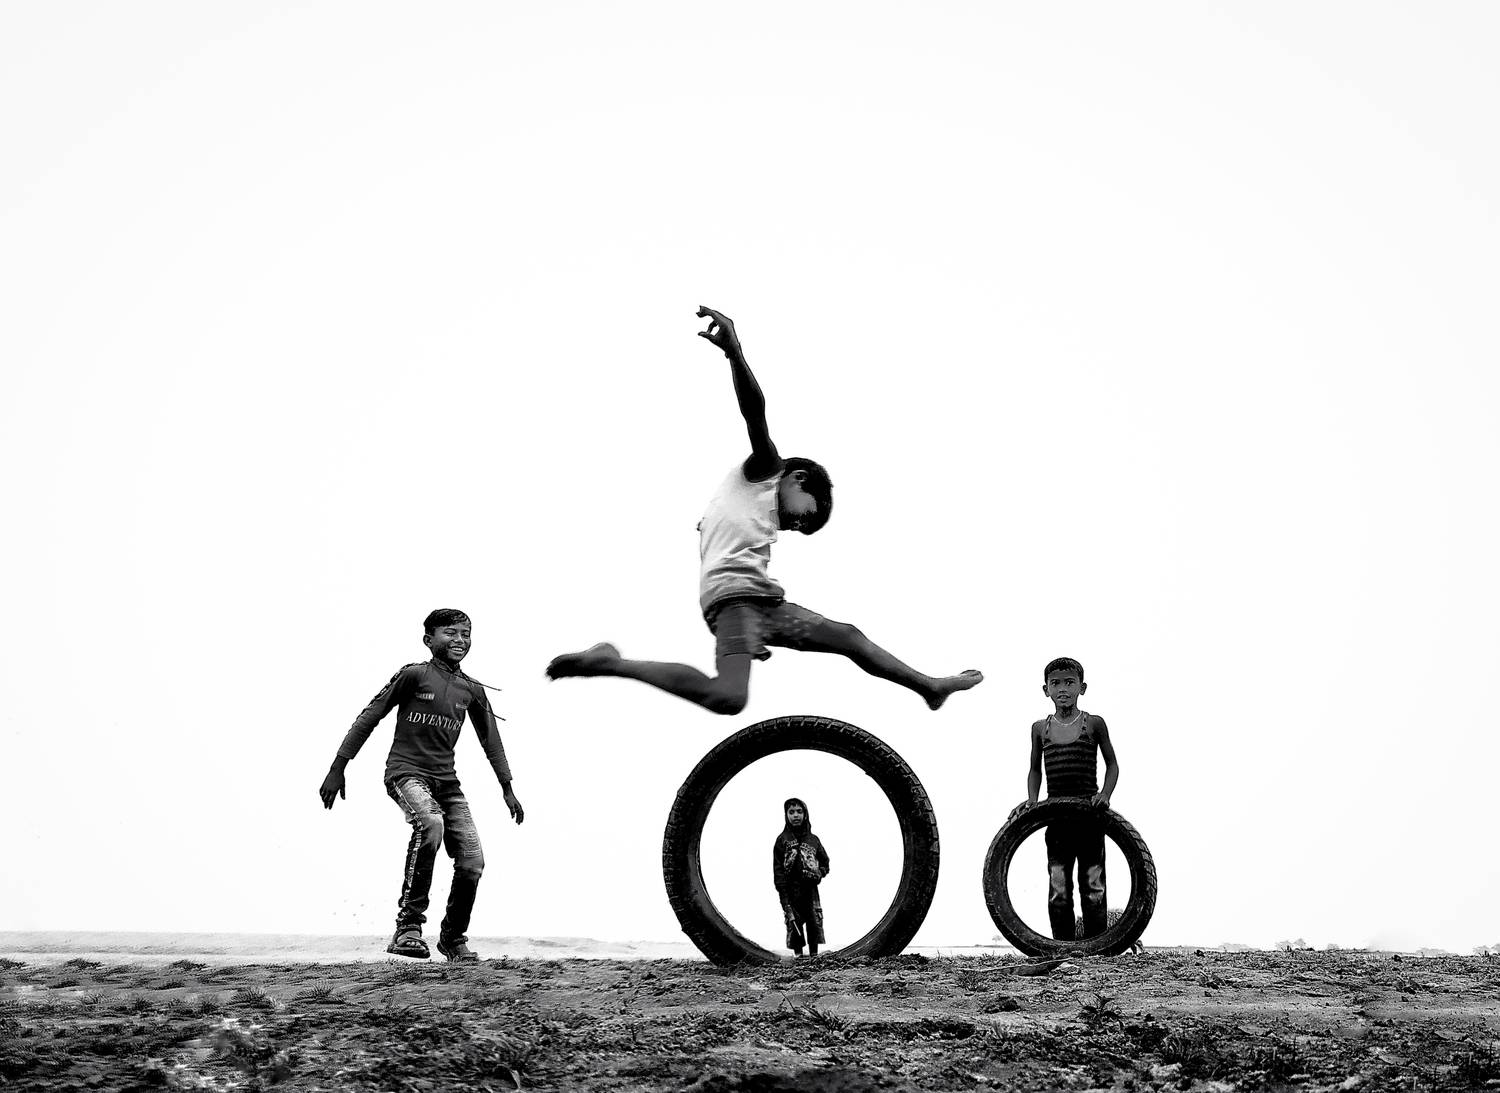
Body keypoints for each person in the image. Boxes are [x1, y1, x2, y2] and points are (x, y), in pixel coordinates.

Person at [547, 306, 984, 714]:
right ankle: (610, 662)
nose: (792, 525)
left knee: (848, 637)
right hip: (736, 601)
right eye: (802, 516)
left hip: (762, 605)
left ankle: (928, 686)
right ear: (797, 479)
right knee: (728, 696)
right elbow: (754, 414)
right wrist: (735, 353)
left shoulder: (744, 504)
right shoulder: (765, 472)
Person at [319, 609, 524, 962]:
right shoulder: (413, 675)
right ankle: (408, 927)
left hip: (447, 784)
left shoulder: (472, 689)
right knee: (430, 824)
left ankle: (453, 938)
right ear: (429, 640)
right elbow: (370, 716)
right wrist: (338, 768)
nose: (459, 640)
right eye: (450, 633)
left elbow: (491, 739)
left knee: (472, 860)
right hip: (406, 773)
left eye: (466, 633)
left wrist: (507, 787)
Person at [1012, 657, 1120, 941]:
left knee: (1094, 885)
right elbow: (1035, 769)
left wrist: (1104, 795)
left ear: (1082, 688)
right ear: (1045, 689)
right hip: (1056, 820)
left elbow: (1112, 765)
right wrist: (1032, 801)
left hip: (1090, 817)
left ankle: (1096, 945)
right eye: (1056, 683)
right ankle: (1062, 945)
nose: (1063, 689)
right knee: (1058, 886)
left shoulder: (1093, 724)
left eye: (1070, 683)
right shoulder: (1040, 728)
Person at [773, 797, 830, 957]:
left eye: (799, 811)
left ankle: (814, 955)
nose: (795, 815)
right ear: (786, 815)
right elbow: (778, 870)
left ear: (805, 814)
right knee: (794, 923)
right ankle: (798, 956)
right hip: (791, 890)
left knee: (813, 922)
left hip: (810, 890)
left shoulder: (813, 840)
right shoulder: (782, 840)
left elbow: (825, 862)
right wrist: (782, 892)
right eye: (791, 812)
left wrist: (819, 873)